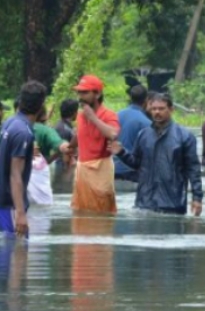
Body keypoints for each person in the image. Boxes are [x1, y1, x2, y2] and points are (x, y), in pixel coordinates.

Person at [110, 94, 203, 216]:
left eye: (161, 108)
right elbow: (136, 163)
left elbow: (193, 169)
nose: (157, 112)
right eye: (154, 109)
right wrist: (121, 153)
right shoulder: (143, 135)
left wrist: (197, 198)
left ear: (171, 109)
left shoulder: (184, 136)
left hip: (172, 203)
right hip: (145, 202)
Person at [0, 81, 47, 238]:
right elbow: (15, 175)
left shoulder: (10, 122)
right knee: (17, 254)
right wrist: (20, 213)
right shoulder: (23, 133)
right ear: (41, 107)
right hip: (10, 204)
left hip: (4, 203)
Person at [72, 75, 119, 214]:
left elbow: (113, 134)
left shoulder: (109, 115)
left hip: (100, 172)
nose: (80, 96)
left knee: (101, 214)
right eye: (79, 92)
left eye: (85, 93)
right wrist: (67, 147)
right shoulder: (80, 116)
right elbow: (80, 137)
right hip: (82, 172)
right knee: (80, 214)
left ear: (97, 94)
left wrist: (93, 117)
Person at [28, 106, 72, 206]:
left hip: (16, 173)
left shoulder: (13, 126)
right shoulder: (46, 131)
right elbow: (60, 144)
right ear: (43, 116)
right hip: (38, 177)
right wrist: (65, 148)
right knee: (42, 206)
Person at [115, 85, 151, 183]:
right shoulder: (146, 122)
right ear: (147, 99)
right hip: (132, 172)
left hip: (112, 169)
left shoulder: (116, 115)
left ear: (130, 97)